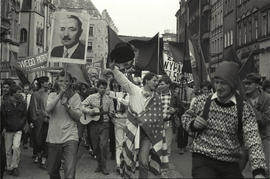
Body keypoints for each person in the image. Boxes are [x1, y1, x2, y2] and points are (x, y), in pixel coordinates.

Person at [181, 61, 266, 178]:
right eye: (216, 82)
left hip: (230, 162)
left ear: (233, 84)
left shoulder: (244, 109)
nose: (219, 87)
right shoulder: (202, 101)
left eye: (223, 83)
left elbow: (253, 140)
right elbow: (186, 117)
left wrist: (259, 171)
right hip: (203, 158)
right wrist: (192, 124)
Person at [105, 65, 169, 179]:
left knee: (143, 161)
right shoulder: (134, 90)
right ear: (146, 81)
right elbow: (123, 80)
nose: (156, 83)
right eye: (154, 81)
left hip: (147, 134)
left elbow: (158, 117)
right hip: (133, 131)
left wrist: (147, 121)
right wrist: (114, 69)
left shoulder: (157, 98)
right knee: (128, 158)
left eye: (157, 81)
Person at [46, 71, 82, 179]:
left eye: (66, 81)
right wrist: (60, 95)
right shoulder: (52, 95)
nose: (64, 83)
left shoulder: (75, 97)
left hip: (70, 137)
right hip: (54, 137)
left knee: (69, 172)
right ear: (56, 82)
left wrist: (67, 105)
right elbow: (48, 109)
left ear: (71, 82)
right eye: (61, 81)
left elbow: (78, 117)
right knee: (52, 171)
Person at [81, 79, 114, 175]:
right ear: (97, 87)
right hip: (93, 124)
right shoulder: (91, 97)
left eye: (104, 88)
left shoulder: (109, 99)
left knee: (103, 146)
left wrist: (112, 114)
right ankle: (99, 164)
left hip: (105, 124)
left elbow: (111, 112)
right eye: (101, 88)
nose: (103, 90)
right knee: (95, 147)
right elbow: (82, 105)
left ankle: (104, 166)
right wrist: (89, 111)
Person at [243, 73, 270, 177]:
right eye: (245, 83)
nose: (246, 86)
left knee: (264, 170)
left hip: (263, 137)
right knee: (235, 168)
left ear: (257, 85)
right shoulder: (242, 98)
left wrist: (250, 108)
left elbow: (265, 120)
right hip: (245, 138)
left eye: (249, 84)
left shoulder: (267, 99)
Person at [1, 84, 27, 177]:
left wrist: (22, 124)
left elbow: (24, 115)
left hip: (18, 129)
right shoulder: (5, 103)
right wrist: (3, 127)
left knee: (15, 147)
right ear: (13, 94)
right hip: (8, 129)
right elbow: (3, 116)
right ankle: (9, 167)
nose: (20, 94)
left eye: (20, 92)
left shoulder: (23, 103)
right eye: (18, 92)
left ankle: (14, 166)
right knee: (7, 150)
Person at [107, 79, 129, 174]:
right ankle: (119, 165)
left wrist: (121, 100)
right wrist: (108, 80)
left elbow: (129, 105)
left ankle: (127, 164)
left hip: (129, 123)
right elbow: (108, 92)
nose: (124, 87)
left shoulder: (134, 96)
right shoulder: (118, 94)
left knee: (127, 144)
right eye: (123, 85)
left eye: (126, 85)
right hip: (119, 121)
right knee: (119, 144)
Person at [28, 76, 49, 168]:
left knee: (47, 140)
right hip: (39, 121)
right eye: (46, 82)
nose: (48, 83)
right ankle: (39, 154)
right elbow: (33, 109)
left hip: (48, 121)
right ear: (42, 83)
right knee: (38, 140)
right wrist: (33, 121)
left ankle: (44, 158)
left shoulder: (49, 94)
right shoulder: (35, 94)